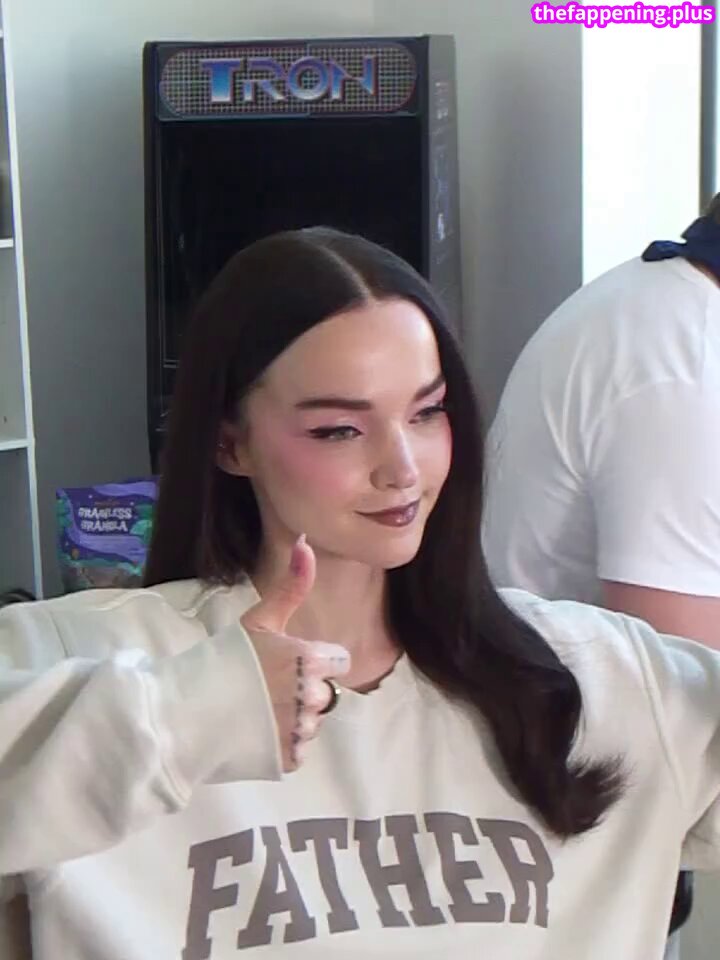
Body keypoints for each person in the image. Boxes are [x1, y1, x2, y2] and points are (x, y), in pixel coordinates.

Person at [1, 227, 720, 960]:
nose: (402, 468)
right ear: (229, 443)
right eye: (340, 429)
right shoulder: (82, 654)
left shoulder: (604, 674)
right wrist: (195, 710)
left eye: (426, 412)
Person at [482, 200, 720, 949]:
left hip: (581, 792)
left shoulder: (668, 306)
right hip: (569, 824)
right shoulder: (684, 369)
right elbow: (690, 696)